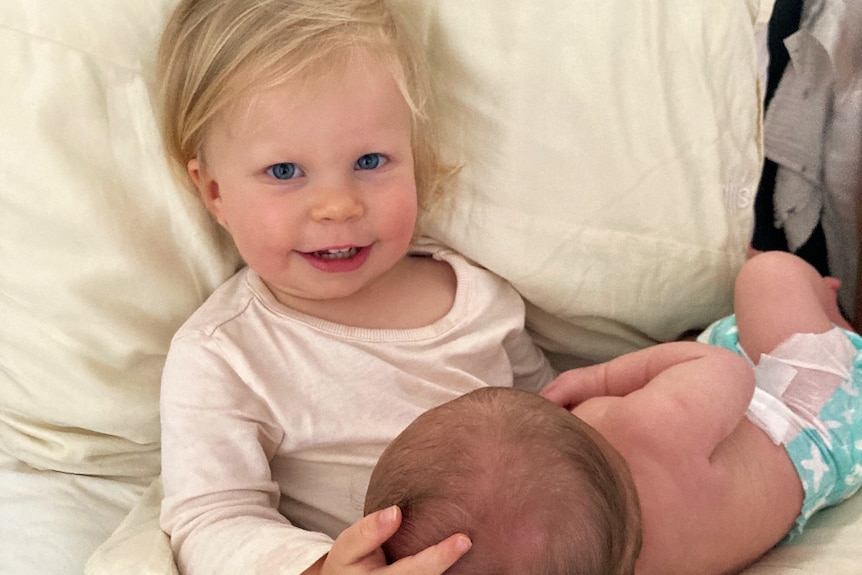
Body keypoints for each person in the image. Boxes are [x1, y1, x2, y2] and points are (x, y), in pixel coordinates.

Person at [154, 1, 557, 574]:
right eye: (285, 172)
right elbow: (211, 517)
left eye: (370, 160)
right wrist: (317, 567)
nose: (339, 205)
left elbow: (555, 422)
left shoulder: (480, 298)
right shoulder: (223, 355)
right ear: (214, 191)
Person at [364, 251, 862, 575]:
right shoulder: (645, 430)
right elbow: (725, 371)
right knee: (767, 274)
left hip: (823, 478)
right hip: (820, 407)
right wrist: (601, 381)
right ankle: (828, 309)